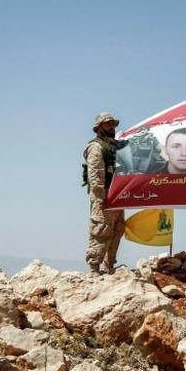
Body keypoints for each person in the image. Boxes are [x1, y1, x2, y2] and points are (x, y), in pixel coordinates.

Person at [83, 112, 127, 276]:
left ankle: (109, 266)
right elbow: (94, 175)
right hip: (103, 195)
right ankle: (94, 268)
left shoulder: (114, 146)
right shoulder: (96, 147)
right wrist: (101, 196)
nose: (112, 127)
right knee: (101, 230)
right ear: (99, 127)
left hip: (117, 195)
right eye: (108, 124)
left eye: (113, 124)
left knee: (117, 229)